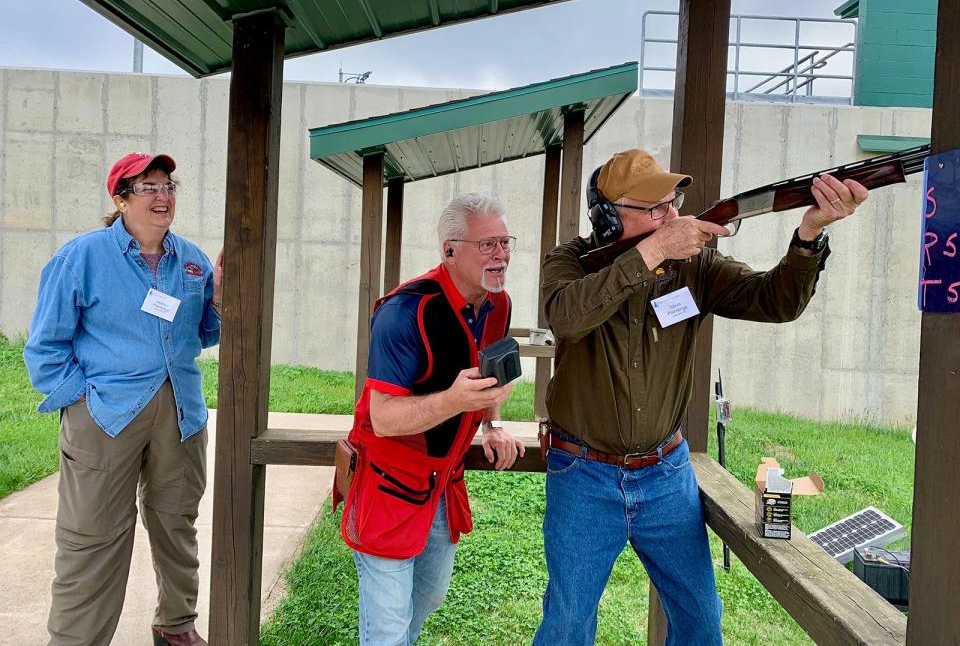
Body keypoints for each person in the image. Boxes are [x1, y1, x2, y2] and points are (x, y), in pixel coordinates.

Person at [532, 149, 868, 645]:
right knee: (567, 625)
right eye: (653, 209)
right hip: (584, 474)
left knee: (700, 622)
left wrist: (810, 234)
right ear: (606, 217)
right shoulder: (569, 263)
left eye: (673, 203)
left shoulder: (696, 266)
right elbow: (566, 316)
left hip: (666, 476)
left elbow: (775, 301)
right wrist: (650, 253)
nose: (670, 216)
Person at [24, 152, 223, 646]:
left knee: (177, 523)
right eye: (148, 187)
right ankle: (76, 639)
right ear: (120, 199)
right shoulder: (82, 256)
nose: (163, 195)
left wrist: (220, 299)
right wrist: (82, 404)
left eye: (169, 185)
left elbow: (206, 333)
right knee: (91, 536)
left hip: (181, 416)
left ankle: (175, 625)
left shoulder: (193, 260)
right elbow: (45, 347)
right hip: (105, 417)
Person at [335, 192, 526, 646]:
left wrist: (491, 422)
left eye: (505, 242)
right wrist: (458, 402)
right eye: (487, 245)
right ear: (450, 250)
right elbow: (383, 419)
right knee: (386, 628)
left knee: (428, 597)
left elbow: (488, 372)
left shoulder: (498, 304)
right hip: (387, 484)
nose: (500, 255)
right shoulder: (404, 311)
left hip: (443, 482)